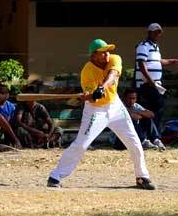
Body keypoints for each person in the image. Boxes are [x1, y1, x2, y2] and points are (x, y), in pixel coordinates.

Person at [47, 39, 155, 190]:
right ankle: (55, 176)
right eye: (103, 52)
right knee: (81, 144)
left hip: (116, 106)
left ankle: (142, 177)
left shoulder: (115, 59)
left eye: (107, 50)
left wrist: (102, 87)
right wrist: (90, 95)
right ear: (93, 55)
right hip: (95, 110)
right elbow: (93, 98)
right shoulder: (87, 71)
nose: (107, 54)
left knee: (134, 142)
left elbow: (113, 74)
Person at [134, 23, 178, 133]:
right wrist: (151, 82)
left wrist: (172, 61)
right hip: (146, 84)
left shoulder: (155, 47)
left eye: (159, 32)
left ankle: (150, 134)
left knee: (152, 109)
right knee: (157, 106)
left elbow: (158, 62)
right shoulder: (143, 46)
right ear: (149, 32)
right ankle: (153, 134)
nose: (157, 34)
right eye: (155, 32)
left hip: (154, 84)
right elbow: (141, 64)